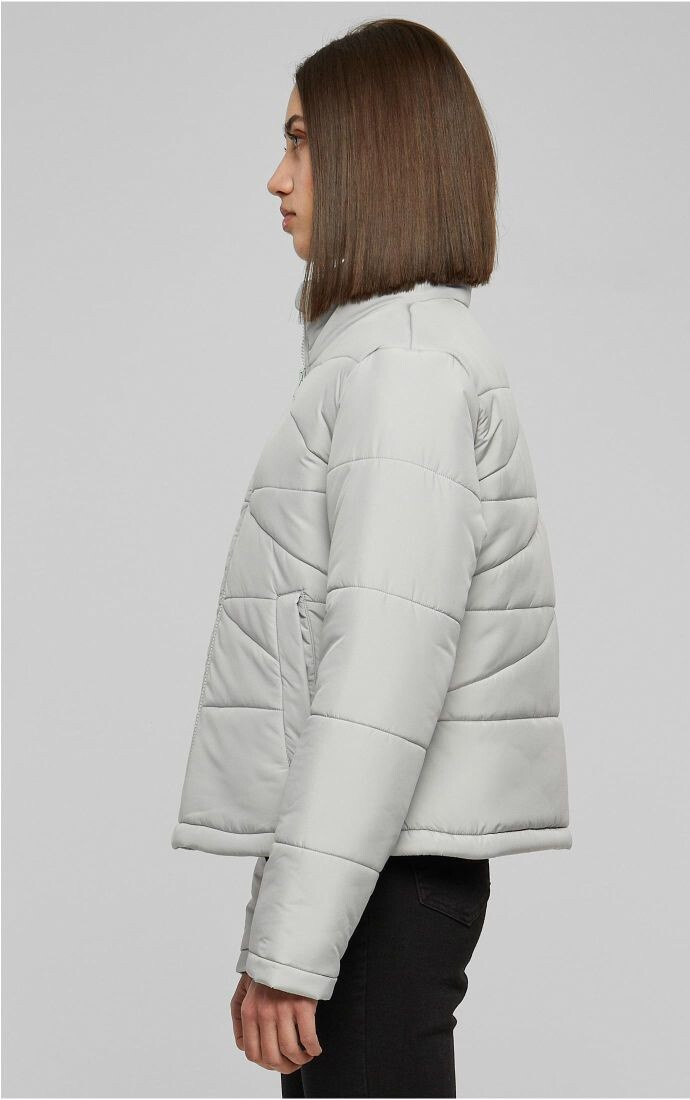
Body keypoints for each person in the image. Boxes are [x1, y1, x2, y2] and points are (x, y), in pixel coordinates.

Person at [170, 17, 572, 1098]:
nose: (276, 177)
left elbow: (380, 678)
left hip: (386, 881)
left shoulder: (404, 370)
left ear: (376, 157)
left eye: (301, 141)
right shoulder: (390, 358)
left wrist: (291, 945)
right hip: (376, 871)